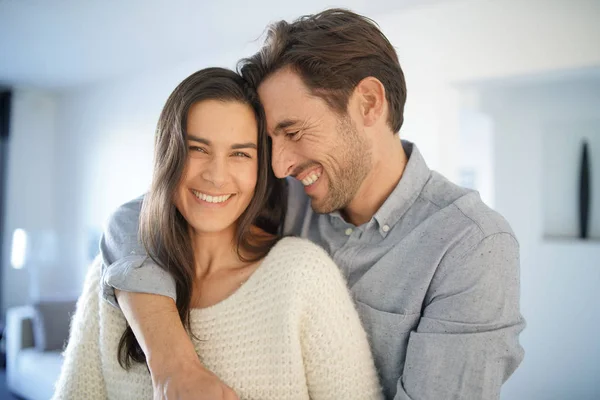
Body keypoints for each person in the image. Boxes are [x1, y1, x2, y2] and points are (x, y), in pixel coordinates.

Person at [100, 9, 525, 400]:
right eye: (269, 142)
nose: (280, 166)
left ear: (369, 103)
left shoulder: (471, 245)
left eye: (294, 131)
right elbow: (134, 220)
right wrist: (174, 366)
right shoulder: (285, 195)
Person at [53, 67, 383, 400]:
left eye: (240, 154)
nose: (216, 176)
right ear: (168, 154)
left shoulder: (304, 276)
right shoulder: (112, 275)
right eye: (197, 149)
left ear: (262, 167)